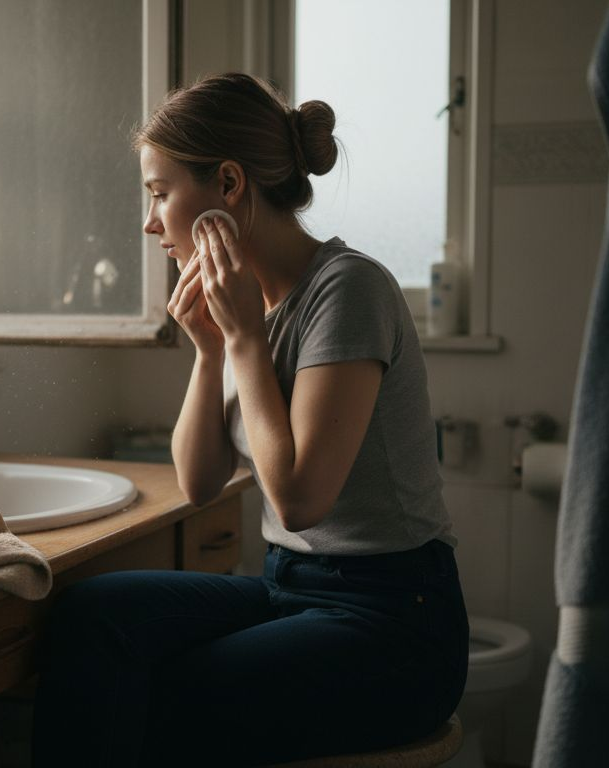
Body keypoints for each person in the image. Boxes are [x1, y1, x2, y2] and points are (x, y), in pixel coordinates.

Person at [32, 72, 468, 767]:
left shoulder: (348, 290)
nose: (150, 224)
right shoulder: (249, 307)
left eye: (160, 193)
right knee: (95, 617)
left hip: (394, 621)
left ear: (229, 186)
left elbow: (299, 500)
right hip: (289, 589)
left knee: (178, 690)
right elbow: (199, 481)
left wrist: (242, 343)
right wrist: (210, 352)